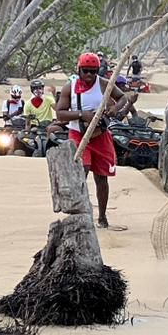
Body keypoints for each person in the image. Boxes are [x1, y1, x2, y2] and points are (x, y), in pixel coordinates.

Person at [56, 51, 118, 228]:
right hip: (78, 135)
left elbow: (122, 98)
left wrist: (115, 110)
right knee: (80, 173)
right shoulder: (70, 87)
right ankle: (80, 213)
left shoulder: (104, 84)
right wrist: (82, 115)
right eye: (85, 71)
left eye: (93, 71)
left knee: (101, 178)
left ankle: (102, 216)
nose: (89, 75)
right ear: (79, 70)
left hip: (100, 137)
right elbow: (60, 113)